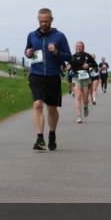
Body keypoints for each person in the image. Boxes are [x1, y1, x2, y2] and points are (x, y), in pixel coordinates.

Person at [24, 8, 72, 150]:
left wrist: (56, 52)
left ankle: (52, 133)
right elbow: (28, 51)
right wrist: (27, 53)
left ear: (52, 19)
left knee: (52, 108)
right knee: (37, 104)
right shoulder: (32, 35)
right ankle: (40, 138)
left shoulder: (59, 36)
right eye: (41, 21)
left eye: (46, 21)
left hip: (52, 76)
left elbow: (69, 57)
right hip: (36, 75)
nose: (43, 24)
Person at [69, 42, 98, 123]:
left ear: (83, 47)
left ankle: (85, 107)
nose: (79, 48)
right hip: (76, 78)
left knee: (85, 98)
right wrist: (68, 67)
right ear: (75, 47)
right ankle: (79, 116)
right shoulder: (73, 57)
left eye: (81, 46)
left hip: (86, 78)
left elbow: (95, 65)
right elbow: (69, 65)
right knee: (78, 96)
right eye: (77, 46)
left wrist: (88, 66)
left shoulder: (87, 56)